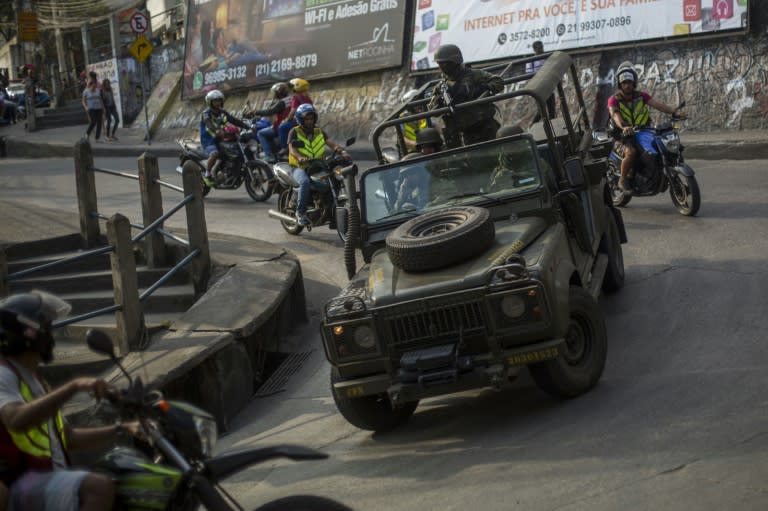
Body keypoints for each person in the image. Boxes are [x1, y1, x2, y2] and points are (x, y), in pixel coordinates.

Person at [0, 291, 142, 511]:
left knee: (126, 474)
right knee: (98, 488)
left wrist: (123, 429)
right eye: (46, 327)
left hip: (48, 478)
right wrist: (74, 386)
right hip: (20, 484)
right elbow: (15, 419)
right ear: (29, 333)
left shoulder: (34, 379)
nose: (51, 335)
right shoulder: (4, 374)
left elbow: (68, 438)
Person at [608, 61, 685, 193]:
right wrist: (623, 127)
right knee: (631, 152)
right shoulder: (614, 99)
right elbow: (615, 115)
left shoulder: (641, 96)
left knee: (661, 144)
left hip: (643, 130)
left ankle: (658, 173)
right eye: (624, 83)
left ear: (634, 83)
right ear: (620, 84)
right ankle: (622, 180)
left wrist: (674, 112)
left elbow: (658, 105)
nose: (627, 85)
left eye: (630, 82)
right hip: (622, 134)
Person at [429, 44, 504, 148]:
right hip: (463, 133)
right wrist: (440, 101)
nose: (441, 66)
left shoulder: (473, 75)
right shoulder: (441, 87)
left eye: (444, 63)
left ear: (454, 62)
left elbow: (498, 82)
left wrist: (480, 89)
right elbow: (432, 110)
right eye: (439, 63)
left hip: (485, 127)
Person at [287, 103, 349, 225]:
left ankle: (328, 207)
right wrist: (300, 157)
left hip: (317, 165)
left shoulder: (319, 131)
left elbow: (331, 143)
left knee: (333, 177)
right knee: (305, 182)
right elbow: (292, 149)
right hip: (299, 167)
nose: (309, 121)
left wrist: (342, 151)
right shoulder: (294, 132)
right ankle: (300, 212)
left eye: (311, 118)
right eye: (306, 119)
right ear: (300, 120)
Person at [199, 89, 250, 186]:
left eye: (219, 100)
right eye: (215, 101)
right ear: (210, 102)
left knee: (232, 152)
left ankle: (227, 171)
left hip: (221, 139)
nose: (218, 103)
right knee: (215, 154)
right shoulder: (206, 113)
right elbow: (208, 123)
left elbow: (234, 120)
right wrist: (216, 130)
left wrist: (248, 126)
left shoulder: (222, 112)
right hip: (209, 140)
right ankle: (207, 174)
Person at [394, 127, 444, 210]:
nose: (426, 151)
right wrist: (402, 198)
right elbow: (395, 212)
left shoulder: (446, 163)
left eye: (431, 147)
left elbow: (446, 197)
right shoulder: (415, 179)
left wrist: (421, 209)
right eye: (424, 148)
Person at [488, 125, 541, 191]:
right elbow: (490, 193)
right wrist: (497, 184)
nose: (509, 148)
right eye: (504, 145)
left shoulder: (537, 163)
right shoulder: (498, 172)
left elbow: (539, 182)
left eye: (513, 144)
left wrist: (515, 177)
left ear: (522, 143)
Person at [248, 82, 291, 162]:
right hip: (291, 124)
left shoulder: (282, 102)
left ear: (278, 93)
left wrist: (255, 112)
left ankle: (269, 155)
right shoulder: (291, 99)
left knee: (260, 133)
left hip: (280, 125)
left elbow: (270, 111)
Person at [278, 78, 313, 155]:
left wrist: (287, 119)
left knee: (282, 127)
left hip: (299, 121)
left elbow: (293, 111)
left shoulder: (296, 97)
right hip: (309, 120)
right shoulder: (308, 97)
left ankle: (284, 148)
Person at [526, 41, 556, 121]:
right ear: (534, 49)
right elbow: (529, 75)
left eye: (542, 47)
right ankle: (533, 125)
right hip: (538, 87)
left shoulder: (547, 57)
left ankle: (554, 126)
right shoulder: (531, 61)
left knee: (552, 109)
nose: (541, 50)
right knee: (541, 110)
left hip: (548, 86)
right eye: (539, 48)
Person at [399, 89, 432, 154]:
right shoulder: (401, 118)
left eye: (420, 101)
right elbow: (402, 139)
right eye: (416, 103)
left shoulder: (425, 114)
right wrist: (418, 145)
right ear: (409, 107)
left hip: (428, 149)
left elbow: (435, 126)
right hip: (410, 154)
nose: (420, 105)